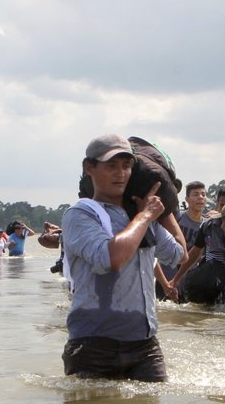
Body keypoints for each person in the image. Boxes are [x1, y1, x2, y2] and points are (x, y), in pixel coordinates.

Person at [60, 133, 184, 382]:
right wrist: (145, 216)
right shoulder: (81, 214)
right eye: (111, 166)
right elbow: (111, 258)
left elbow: (179, 254)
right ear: (89, 168)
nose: (121, 173)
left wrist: (164, 207)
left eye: (127, 166)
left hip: (145, 345)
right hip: (93, 345)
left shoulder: (140, 216)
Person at [168, 182, 225, 304]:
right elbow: (194, 253)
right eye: (222, 205)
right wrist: (176, 279)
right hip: (210, 284)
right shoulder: (208, 225)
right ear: (217, 204)